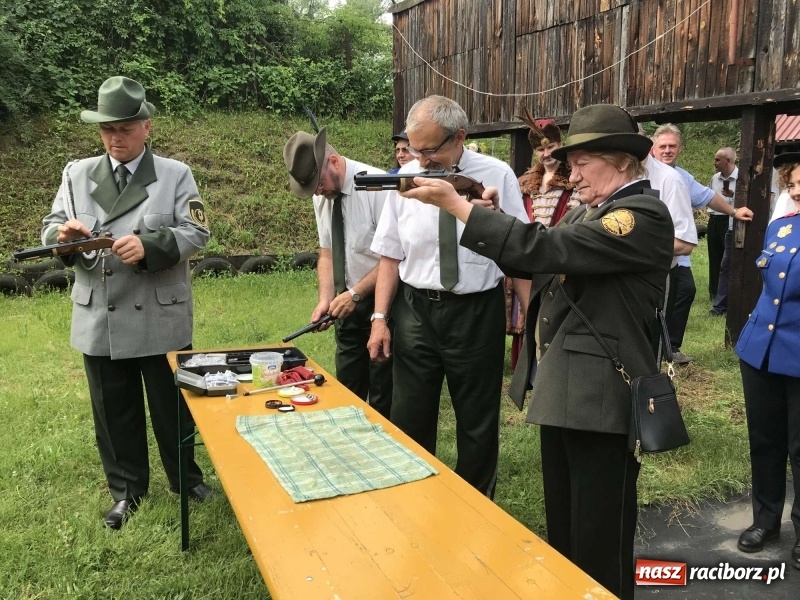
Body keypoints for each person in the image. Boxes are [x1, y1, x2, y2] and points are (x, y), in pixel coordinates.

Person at [394, 104, 674, 600]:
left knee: (598, 533)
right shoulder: (597, 209)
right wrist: (493, 217)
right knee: (566, 527)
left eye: (584, 162)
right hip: (568, 389)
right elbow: (544, 250)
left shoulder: (639, 215)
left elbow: (548, 251)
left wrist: (460, 210)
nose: (573, 173)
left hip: (601, 398)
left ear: (624, 162)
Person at [40, 76, 214, 529]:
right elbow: (51, 226)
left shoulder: (175, 174)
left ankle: (185, 479)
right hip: (101, 312)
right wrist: (63, 238)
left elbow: (197, 231)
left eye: (125, 128)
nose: (116, 138)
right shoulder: (76, 174)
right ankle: (126, 490)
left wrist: (150, 245)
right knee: (113, 410)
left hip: (159, 310)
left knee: (172, 406)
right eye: (107, 129)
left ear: (146, 127)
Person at [367, 95, 530, 498]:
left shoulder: (497, 174)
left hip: (476, 311)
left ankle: (477, 507)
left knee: (477, 419)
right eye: (414, 148)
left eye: (429, 149)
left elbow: (521, 247)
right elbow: (390, 252)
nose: (420, 160)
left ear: (460, 136)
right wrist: (379, 318)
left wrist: (531, 312)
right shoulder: (404, 177)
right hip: (416, 310)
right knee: (409, 415)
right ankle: (414, 499)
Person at [283, 127, 393, 419]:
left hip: (383, 302)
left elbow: (394, 257)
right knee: (347, 391)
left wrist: (356, 294)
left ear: (333, 162)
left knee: (384, 394)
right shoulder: (323, 194)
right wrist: (325, 298)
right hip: (345, 305)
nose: (317, 192)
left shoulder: (378, 186)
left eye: (317, 184)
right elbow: (327, 252)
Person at [734, 151, 800, 571]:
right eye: (793, 186)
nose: (796, 194)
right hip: (760, 350)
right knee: (766, 440)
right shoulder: (780, 226)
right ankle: (766, 520)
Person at [652, 125, 753, 363]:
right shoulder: (642, 173)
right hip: (650, 249)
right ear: (653, 149)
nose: (667, 151)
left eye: (672, 146)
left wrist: (734, 211)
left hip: (677, 249)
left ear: (680, 148)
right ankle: (653, 348)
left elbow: (708, 197)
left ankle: (671, 348)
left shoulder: (682, 176)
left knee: (685, 290)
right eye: (662, 146)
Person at [507, 110, 579, 369]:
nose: (546, 154)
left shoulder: (574, 181)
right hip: (529, 255)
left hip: (558, 252)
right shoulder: (525, 182)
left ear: (561, 147)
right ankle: (527, 365)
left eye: (552, 148)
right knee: (527, 308)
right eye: (540, 150)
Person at [708, 148, 738, 316]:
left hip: (730, 220)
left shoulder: (741, 177)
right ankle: (714, 292)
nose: (715, 162)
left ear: (728, 161)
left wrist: (732, 194)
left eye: (718, 160)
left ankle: (724, 298)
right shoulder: (715, 178)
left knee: (726, 262)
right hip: (715, 219)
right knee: (715, 256)